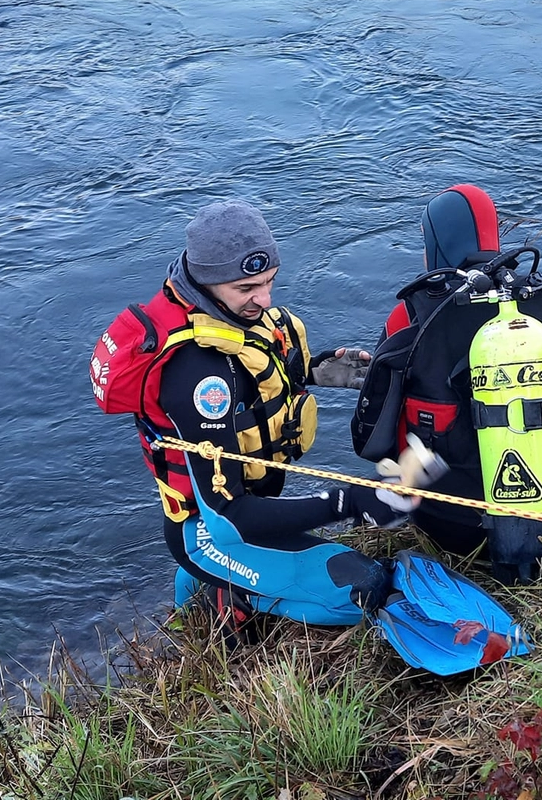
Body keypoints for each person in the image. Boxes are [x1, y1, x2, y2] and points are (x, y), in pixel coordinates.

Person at [89, 199, 419, 638]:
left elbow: (252, 380)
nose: (263, 300)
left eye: (268, 282)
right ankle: (229, 596)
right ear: (206, 284)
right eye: (246, 288)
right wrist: (350, 503)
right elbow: (228, 515)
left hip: (248, 508)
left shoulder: (233, 320)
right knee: (367, 589)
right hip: (213, 533)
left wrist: (314, 370)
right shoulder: (197, 375)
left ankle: (199, 603)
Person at [351, 184, 542, 584]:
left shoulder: (409, 315)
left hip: (450, 527)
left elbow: (370, 442)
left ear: (435, 241)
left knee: (397, 460)